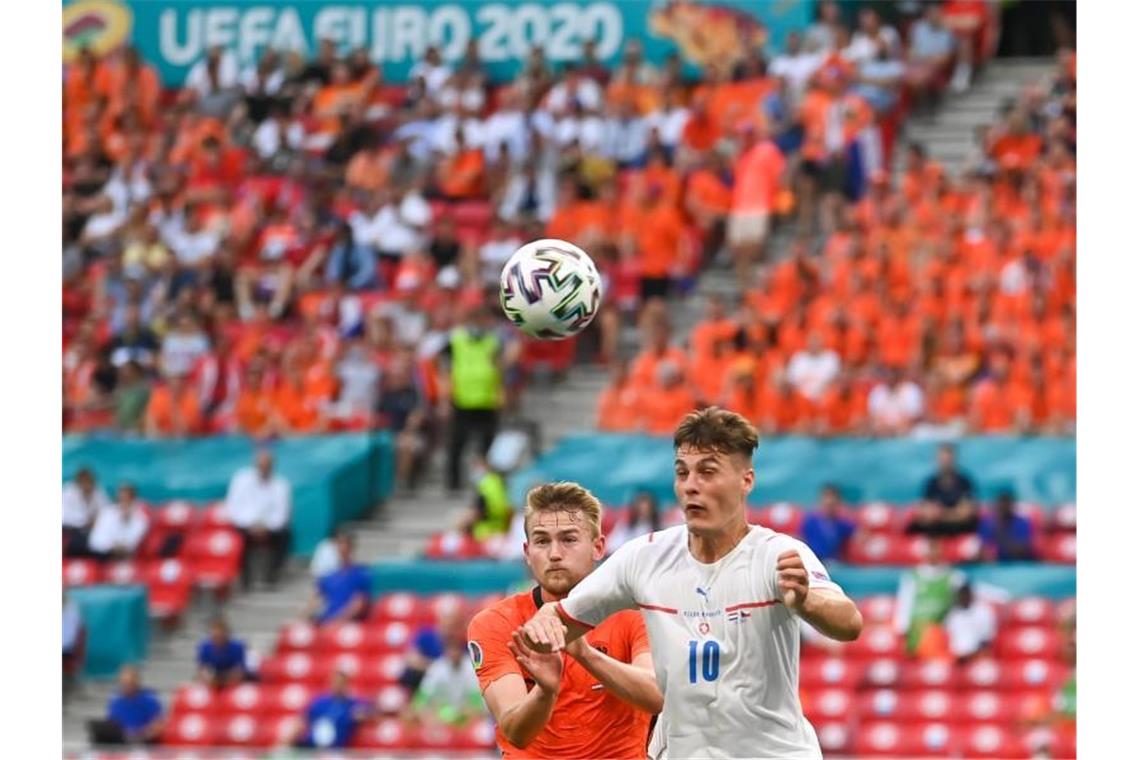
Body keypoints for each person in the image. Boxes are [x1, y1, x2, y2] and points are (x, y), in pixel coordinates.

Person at [518, 408, 862, 759]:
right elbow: (558, 622)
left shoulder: (778, 555)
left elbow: (849, 623)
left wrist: (806, 602)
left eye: (707, 472)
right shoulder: (645, 557)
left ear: (746, 480)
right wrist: (546, 623)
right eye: (682, 473)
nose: (691, 485)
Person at [468, 482, 661, 758]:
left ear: (598, 547)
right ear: (527, 552)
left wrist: (584, 653)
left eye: (568, 539)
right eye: (542, 541)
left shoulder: (634, 612)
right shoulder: (496, 622)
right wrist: (546, 691)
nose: (555, 554)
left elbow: (655, 696)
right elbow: (515, 732)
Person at [438, 305, 512, 492]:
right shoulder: (456, 340)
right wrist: (445, 397)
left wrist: (501, 392)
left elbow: (500, 368)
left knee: (487, 446)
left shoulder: (493, 341)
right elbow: (443, 366)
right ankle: (453, 485)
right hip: (462, 400)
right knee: (457, 445)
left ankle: (484, 485)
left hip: (487, 401)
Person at [223, 448, 292, 589]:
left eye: (267, 466)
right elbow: (233, 508)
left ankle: (271, 576)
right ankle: (245, 579)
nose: (263, 469)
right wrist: (251, 525)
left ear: (272, 466)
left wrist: (265, 527)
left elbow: (282, 513)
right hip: (245, 525)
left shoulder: (281, 485)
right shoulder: (241, 479)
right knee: (238, 537)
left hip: (269, 528)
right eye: (260, 465)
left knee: (285, 535)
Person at [893, 540, 965, 657]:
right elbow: (904, 603)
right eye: (931, 549)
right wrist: (902, 628)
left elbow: (958, 607)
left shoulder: (954, 577)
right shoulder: (912, 576)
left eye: (936, 548)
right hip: (916, 631)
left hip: (941, 631)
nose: (934, 553)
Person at [287, 670, 375, 749]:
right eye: (335, 682)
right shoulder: (319, 702)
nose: (337, 686)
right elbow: (303, 720)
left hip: (335, 750)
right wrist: (290, 738)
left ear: (347, 684)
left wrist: (363, 715)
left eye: (341, 683)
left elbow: (372, 714)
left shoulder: (353, 704)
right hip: (312, 747)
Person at [409, 637, 486, 728]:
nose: (454, 653)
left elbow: (477, 700)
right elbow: (422, 697)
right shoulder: (436, 668)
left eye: (456, 650)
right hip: (442, 713)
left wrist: (467, 713)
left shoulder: (471, 668)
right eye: (451, 650)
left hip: (467, 713)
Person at [907, 443, 980, 536]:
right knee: (916, 526)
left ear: (954, 459)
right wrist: (951, 513)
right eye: (942, 459)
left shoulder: (965, 482)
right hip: (938, 525)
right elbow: (927, 511)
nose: (945, 462)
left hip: (959, 525)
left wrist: (942, 514)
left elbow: (965, 513)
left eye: (948, 459)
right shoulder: (931, 482)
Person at [87, 665, 166, 746]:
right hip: (122, 740)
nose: (126, 687)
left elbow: (159, 726)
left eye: (129, 683)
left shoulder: (150, 700)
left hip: (142, 741)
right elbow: (111, 725)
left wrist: (142, 734)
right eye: (124, 684)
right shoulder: (115, 701)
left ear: (137, 682)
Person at [305, 532, 371, 625]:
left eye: (344, 544)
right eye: (338, 544)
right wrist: (302, 619)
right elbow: (316, 600)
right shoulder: (328, 576)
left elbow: (359, 604)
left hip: (347, 626)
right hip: (327, 622)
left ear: (351, 547)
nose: (341, 548)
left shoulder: (360, 574)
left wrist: (339, 621)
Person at [399, 607, 467, 694]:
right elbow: (411, 658)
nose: (449, 630)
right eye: (446, 625)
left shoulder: (464, 641)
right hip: (426, 679)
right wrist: (437, 668)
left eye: (454, 626)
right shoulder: (426, 636)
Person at [88, 483, 150, 561]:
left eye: (127, 499)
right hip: (105, 554)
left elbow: (133, 543)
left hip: (127, 555)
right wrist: (112, 547)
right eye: (121, 499)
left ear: (133, 499)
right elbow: (95, 541)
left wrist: (126, 521)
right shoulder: (107, 513)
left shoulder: (140, 518)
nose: (123, 502)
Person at [800, 484, 857, 563]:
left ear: (838, 503)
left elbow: (858, 534)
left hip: (836, 563)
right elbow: (801, 539)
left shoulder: (843, 523)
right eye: (826, 500)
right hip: (814, 561)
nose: (829, 502)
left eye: (832, 503)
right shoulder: (810, 521)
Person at [63, 467, 111, 557]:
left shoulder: (98, 491)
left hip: (92, 529)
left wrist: (97, 520)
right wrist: (84, 521)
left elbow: (107, 510)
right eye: (85, 482)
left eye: (90, 482)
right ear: (78, 483)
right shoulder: (67, 492)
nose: (88, 485)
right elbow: (64, 517)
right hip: (71, 529)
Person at [942, 582, 996, 662]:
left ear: (971, 595)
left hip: (977, 655)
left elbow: (987, 639)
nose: (963, 597)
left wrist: (974, 655)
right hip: (956, 657)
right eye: (961, 595)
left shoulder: (983, 612)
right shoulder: (953, 615)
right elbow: (946, 637)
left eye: (966, 594)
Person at [978, 490, 1037, 561]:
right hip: (995, 565)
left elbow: (1022, 550)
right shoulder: (987, 523)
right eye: (1001, 504)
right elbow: (982, 549)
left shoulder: (1022, 523)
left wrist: (999, 532)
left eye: (1006, 504)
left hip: (1018, 564)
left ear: (1012, 505)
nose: (1004, 507)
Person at [196, 617, 250, 688]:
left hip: (232, 674)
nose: (218, 640)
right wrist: (209, 681)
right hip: (214, 675)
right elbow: (201, 669)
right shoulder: (205, 647)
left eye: (221, 636)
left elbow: (240, 671)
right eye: (215, 636)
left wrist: (225, 682)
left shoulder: (238, 647)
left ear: (227, 634)